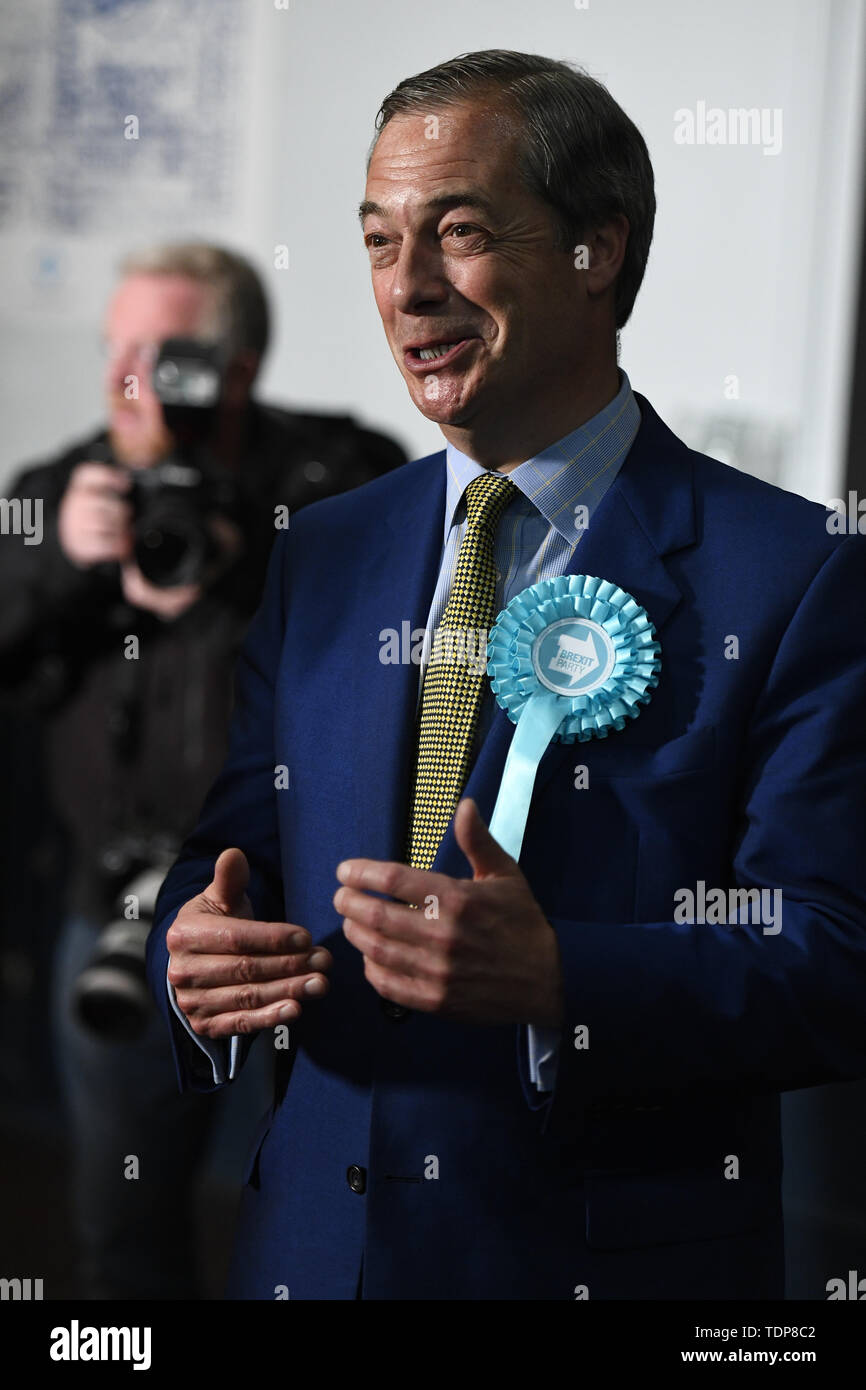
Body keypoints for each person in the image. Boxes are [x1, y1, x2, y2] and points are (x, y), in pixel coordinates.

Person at [147, 52, 866, 1300]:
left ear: (598, 250)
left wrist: (561, 980)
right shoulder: (320, 549)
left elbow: (836, 955)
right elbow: (235, 847)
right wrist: (189, 946)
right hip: (309, 1259)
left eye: (459, 232)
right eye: (378, 241)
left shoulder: (793, 573)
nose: (407, 287)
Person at [0, 241, 405, 1298]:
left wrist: (248, 558)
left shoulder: (333, 474)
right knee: (119, 1224)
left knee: (333, 1214)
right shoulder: (59, 491)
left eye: (159, 352)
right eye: (113, 347)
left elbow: (397, 619)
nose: (123, 376)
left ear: (235, 368)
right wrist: (57, 559)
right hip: (119, 912)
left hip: (310, 917)